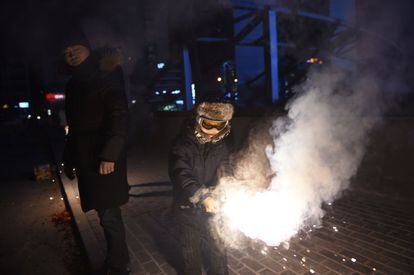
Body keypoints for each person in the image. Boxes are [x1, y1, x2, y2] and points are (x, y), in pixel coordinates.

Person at [61, 34, 130, 275]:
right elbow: (74, 128)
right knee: (104, 214)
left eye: (76, 47)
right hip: (86, 158)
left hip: (104, 158)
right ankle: (118, 261)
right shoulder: (73, 84)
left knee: (109, 214)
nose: (72, 53)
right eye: (67, 50)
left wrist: (110, 155)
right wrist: (69, 160)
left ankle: (119, 267)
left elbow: (119, 115)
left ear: (88, 48)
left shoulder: (106, 73)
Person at [169, 97, 234, 275]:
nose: (212, 130)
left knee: (218, 250)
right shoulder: (182, 144)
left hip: (214, 209)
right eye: (208, 124)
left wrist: (225, 187)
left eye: (218, 126)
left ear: (226, 125)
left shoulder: (223, 145)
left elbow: (226, 168)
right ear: (198, 120)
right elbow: (181, 173)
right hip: (187, 209)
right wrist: (202, 196)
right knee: (191, 255)